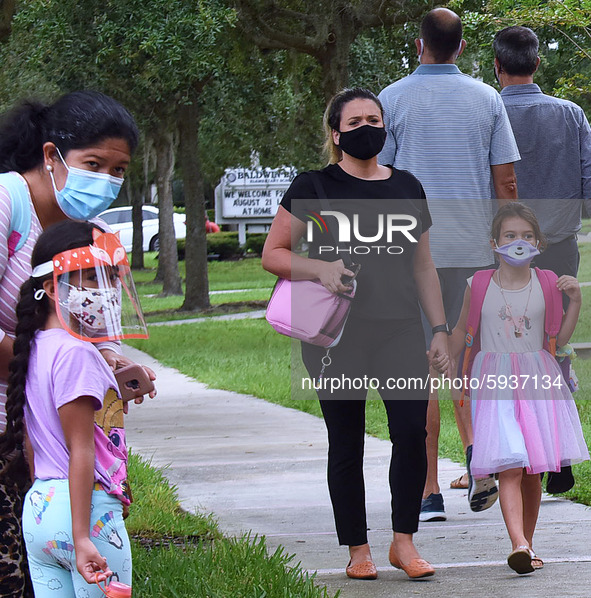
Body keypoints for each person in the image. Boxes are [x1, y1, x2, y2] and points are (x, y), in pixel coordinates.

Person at [262, 87, 450, 580]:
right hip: (334, 335)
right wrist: (317, 268)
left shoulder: (408, 186)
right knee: (347, 440)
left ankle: (404, 543)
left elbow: (424, 267)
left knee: (412, 432)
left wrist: (439, 329)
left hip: (401, 329)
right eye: (356, 121)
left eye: (375, 118)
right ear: (336, 133)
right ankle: (358, 550)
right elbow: (274, 254)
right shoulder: (314, 186)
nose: (367, 127)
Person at [0, 90, 155, 598]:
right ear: (51, 156)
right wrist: (50, 365)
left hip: (39, 458)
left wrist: (111, 364)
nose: (107, 182)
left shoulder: (95, 234)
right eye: (94, 164)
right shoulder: (7, 202)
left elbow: (96, 336)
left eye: (119, 170)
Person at [378, 7, 521, 520]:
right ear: (461, 47)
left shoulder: (389, 101)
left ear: (420, 45)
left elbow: (384, 180)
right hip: (472, 253)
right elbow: (505, 184)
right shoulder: (488, 100)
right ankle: (478, 459)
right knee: (465, 363)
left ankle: (429, 491)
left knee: (420, 367)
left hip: (412, 254)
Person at [450, 202, 589, 573]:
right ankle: (519, 543)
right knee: (510, 464)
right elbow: (463, 331)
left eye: (527, 236)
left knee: (532, 470)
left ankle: (528, 545)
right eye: (510, 235)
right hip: (493, 378)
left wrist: (574, 299)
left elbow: (560, 337)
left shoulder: (547, 282)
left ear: (539, 242)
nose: (518, 242)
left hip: (537, 378)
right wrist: (444, 361)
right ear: (494, 242)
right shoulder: (477, 284)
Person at [493, 25, 591, 495]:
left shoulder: (488, 114)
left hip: (502, 251)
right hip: (560, 248)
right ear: (537, 63)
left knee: (506, 353)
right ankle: (560, 452)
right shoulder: (570, 115)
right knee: (555, 348)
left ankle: (512, 453)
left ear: (496, 65)